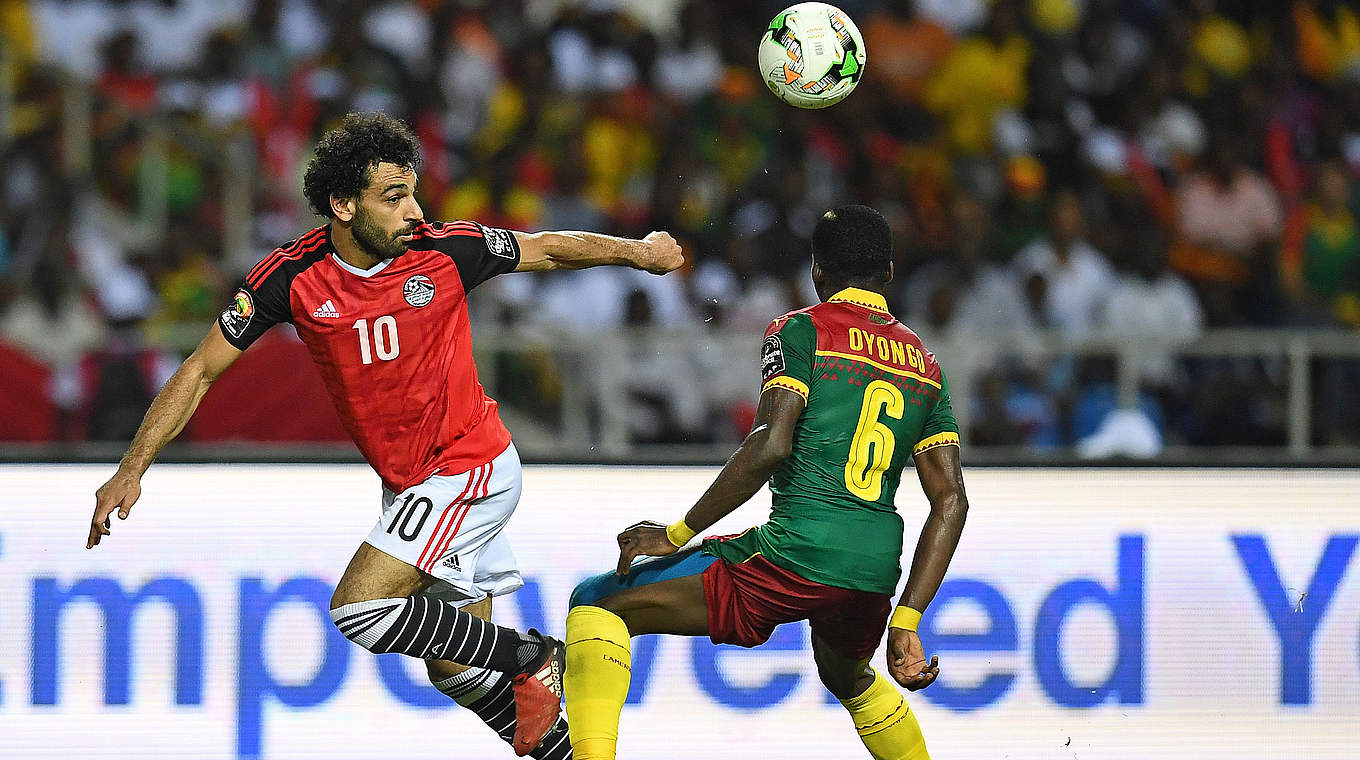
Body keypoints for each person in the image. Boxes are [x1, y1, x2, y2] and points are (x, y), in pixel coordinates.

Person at [85, 112, 683, 758]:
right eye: (394, 198)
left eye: (413, 192)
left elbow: (546, 246)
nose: (413, 211)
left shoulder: (445, 250)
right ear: (342, 205)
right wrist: (131, 467)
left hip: (468, 467)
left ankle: (535, 654)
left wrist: (640, 252)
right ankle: (563, 747)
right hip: (411, 487)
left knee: (358, 609)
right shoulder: (291, 278)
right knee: (454, 668)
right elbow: (201, 368)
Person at [563, 205, 970, 760]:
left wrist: (677, 533)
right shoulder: (925, 363)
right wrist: (909, 616)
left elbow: (771, 444)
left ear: (816, 272)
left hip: (798, 552)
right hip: (874, 570)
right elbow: (950, 499)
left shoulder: (801, 330)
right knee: (846, 676)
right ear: (891, 274)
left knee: (597, 603)